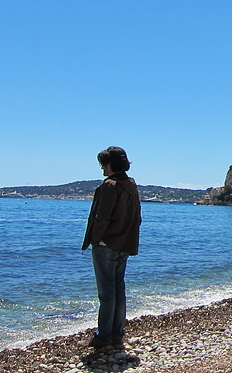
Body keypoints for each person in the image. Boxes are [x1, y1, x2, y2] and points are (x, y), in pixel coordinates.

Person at [81, 146, 142, 349]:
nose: (102, 169)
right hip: (124, 244)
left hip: (106, 245)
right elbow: (137, 219)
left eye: (103, 165)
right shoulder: (131, 186)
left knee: (106, 293)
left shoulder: (110, 185)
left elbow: (101, 217)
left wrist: (96, 239)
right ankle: (117, 333)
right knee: (118, 289)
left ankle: (103, 336)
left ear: (109, 164)